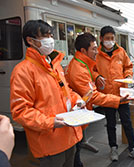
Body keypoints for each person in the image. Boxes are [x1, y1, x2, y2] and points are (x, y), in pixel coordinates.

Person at [10, 20, 84, 167]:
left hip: (70, 134)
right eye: (45, 36)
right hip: (49, 143)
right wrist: (50, 123)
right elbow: (20, 111)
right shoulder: (22, 71)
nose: (50, 39)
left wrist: (77, 99)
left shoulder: (54, 64)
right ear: (30, 40)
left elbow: (65, 90)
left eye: (50, 35)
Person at [65, 33, 130, 166]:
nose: (97, 51)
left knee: (77, 148)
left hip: (83, 111)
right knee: (74, 151)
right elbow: (92, 95)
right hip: (78, 113)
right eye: (94, 49)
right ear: (83, 50)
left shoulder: (84, 64)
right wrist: (117, 100)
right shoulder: (78, 68)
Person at [94, 26, 134, 162]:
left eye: (112, 38)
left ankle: (133, 149)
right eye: (107, 38)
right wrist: (97, 75)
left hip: (123, 94)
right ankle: (113, 148)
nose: (110, 41)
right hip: (107, 95)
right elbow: (91, 69)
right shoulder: (96, 54)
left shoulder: (121, 51)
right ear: (101, 39)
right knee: (110, 123)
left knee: (127, 122)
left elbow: (128, 66)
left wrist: (128, 75)